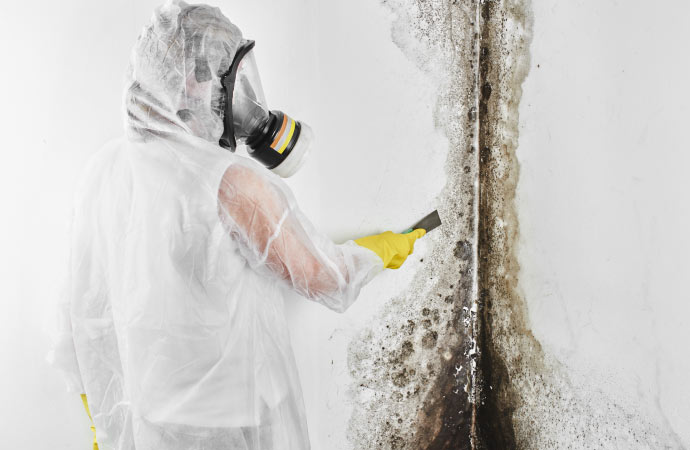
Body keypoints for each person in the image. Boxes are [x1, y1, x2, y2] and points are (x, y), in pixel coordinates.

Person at [48, 1, 425, 449]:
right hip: (228, 426)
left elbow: (79, 312)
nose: (242, 96)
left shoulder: (103, 169)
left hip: (150, 422)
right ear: (195, 78)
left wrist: (100, 417)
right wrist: (382, 250)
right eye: (230, 76)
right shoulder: (230, 183)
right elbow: (327, 279)